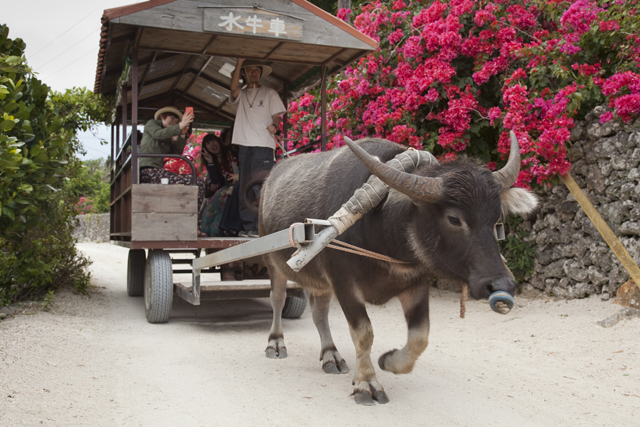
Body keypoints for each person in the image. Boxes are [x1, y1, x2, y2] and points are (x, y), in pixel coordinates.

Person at [229, 59, 286, 238]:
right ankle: (249, 228)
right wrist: (239, 63)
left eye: (256, 70)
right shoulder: (242, 94)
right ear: (244, 74)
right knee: (245, 185)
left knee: (261, 186)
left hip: (264, 145)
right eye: (249, 70)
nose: (253, 73)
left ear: (260, 73)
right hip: (245, 145)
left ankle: (262, 227)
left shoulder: (270, 92)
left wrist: (274, 126)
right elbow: (233, 89)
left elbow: (276, 116)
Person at [199, 133, 240, 237]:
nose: (212, 144)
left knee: (220, 196)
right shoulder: (213, 161)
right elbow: (216, 181)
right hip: (227, 186)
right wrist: (210, 162)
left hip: (241, 182)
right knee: (216, 199)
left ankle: (214, 230)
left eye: (213, 140)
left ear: (218, 141)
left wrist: (240, 175)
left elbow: (244, 162)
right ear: (205, 149)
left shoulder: (230, 150)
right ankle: (208, 230)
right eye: (208, 144)